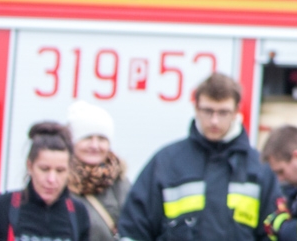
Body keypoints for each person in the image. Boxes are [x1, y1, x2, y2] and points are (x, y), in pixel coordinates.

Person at [119, 72, 281, 241]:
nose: (214, 121)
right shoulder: (166, 163)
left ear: (236, 112)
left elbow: (272, 233)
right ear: (196, 108)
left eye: (223, 112)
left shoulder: (260, 168)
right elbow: (134, 228)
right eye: (208, 111)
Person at [0, 122, 91, 241]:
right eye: (44, 169)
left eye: (60, 170)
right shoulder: (0, 207)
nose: (51, 179)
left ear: (69, 170)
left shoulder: (78, 213)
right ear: (30, 166)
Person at [66, 101, 130, 241]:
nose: (94, 145)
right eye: (87, 138)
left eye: (101, 138)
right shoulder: (59, 181)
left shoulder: (121, 181)